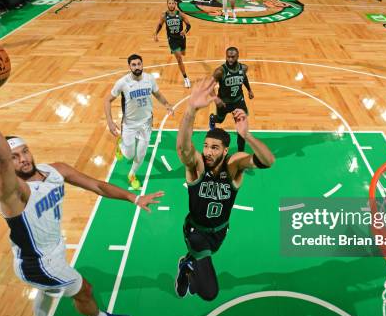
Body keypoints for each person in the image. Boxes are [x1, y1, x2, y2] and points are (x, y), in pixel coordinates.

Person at [0, 90, 164, 316]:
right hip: (37, 263)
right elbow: (0, 159)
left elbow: (97, 185)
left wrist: (134, 198)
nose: (23, 159)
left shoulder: (55, 170)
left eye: (24, 151)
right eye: (14, 157)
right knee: (83, 289)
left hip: (51, 250)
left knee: (50, 290)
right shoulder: (14, 194)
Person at [175, 77, 275, 300]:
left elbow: (268, 161)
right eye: (206, 146)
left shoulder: (233, 165)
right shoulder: (198, 165)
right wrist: (191, 109)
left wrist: (247, 135)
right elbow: (183, 149)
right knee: (209, 293)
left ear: (225, 150)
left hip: (220, 231)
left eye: (214, 148)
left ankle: (188, 264)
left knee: (203, 260)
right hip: (196, 231)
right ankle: (188, 268)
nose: (208, 152)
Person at [104, 54, 174, 190]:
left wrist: (167, 104)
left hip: (146, 123)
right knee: (129, 155)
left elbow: (157, 94)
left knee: (141, 154)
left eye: (139, 64)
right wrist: (110, 122)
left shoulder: (150, 79)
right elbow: (107, 100)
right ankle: (121, 145)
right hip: (129, 125)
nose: (137, 67)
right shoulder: (122, 82)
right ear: (129, 66)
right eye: (134, 65)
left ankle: (132, 174)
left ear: (142, 64)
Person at [209, 47, 254, 152]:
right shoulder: (220, 71)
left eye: (233, 57)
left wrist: (249, 90)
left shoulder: (243, 68)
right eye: (228, 57)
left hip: (238, 101)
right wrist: (216, 99)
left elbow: (244, 77)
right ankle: (212, 118)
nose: (230, 59)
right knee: (219, 120)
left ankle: (240, 153)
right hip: (224, 103)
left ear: (238, 56)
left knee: (242, 129)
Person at [154, 0, 192, 88]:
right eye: (169, 3)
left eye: (172, 3)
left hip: (181, 38)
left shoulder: (181, 14)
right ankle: (186, 78)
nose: (171, 5)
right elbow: (159, 25)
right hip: (172, 40)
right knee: (179, 58)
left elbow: (189, 25)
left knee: (183, 53)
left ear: (175, 4)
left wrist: (185, 31)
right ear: (167, 5)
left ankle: (182, 53)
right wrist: (155, 34)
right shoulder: (164, 15)